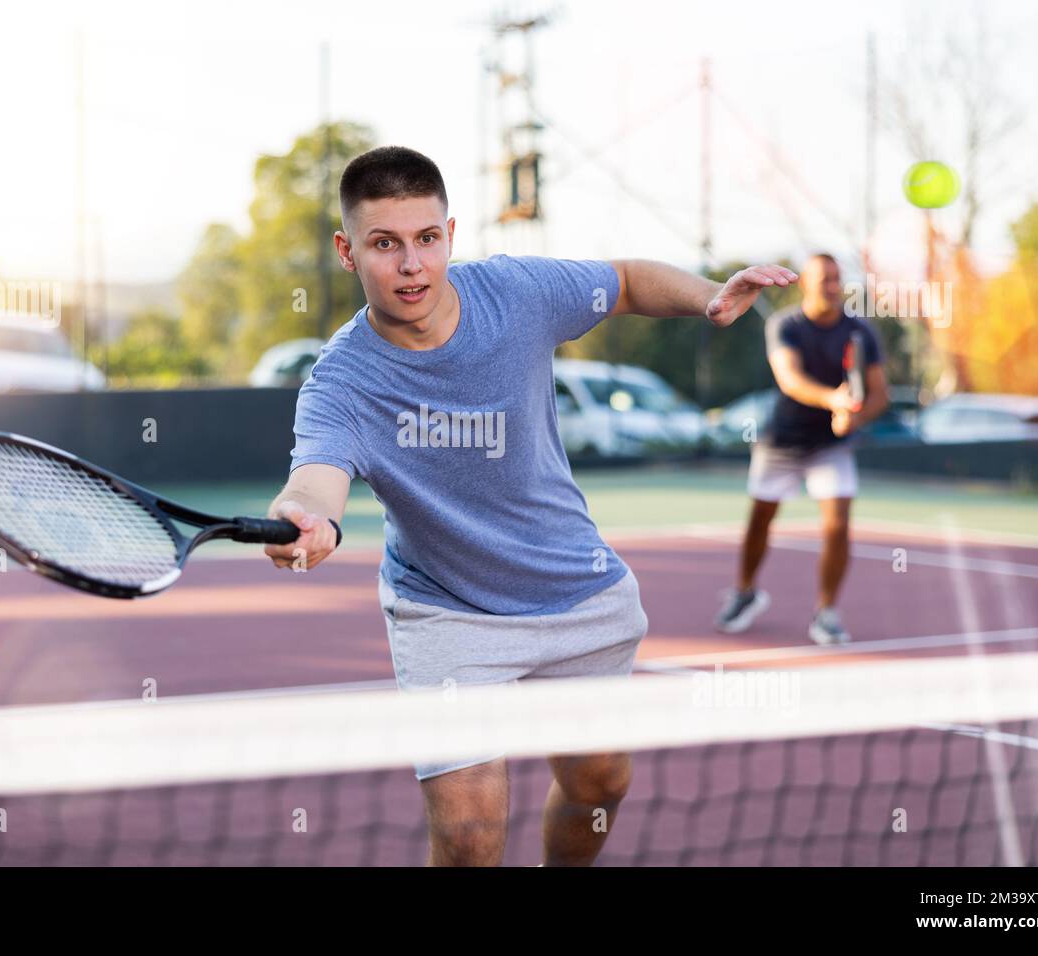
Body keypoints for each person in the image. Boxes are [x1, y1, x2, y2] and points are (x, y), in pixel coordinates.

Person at [264, 145, 795, 866]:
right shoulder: (341, 381)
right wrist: (308, 517)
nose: (411, 264)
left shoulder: (515, 292)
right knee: (470, 836)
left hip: (574, 588)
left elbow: (628, 280)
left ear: (450, 234)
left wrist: (707, 295)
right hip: (447, 611)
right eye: (385, 244)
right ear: (347, 251)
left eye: (426, 239)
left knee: (601, 785)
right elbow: (314, 478)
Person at [714, 253, 889, 645]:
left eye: (835, 278)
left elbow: (879, 395)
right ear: (805, 284)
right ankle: (745, 592)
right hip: (782, 441)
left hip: (831, 446)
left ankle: (826, 613)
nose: (831, 285)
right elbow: (790, 380)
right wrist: (836, 402)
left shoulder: (861, 332)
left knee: (838, 523)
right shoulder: (785, 324)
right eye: (823, 278)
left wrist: (855, 418)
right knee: (760, 520)